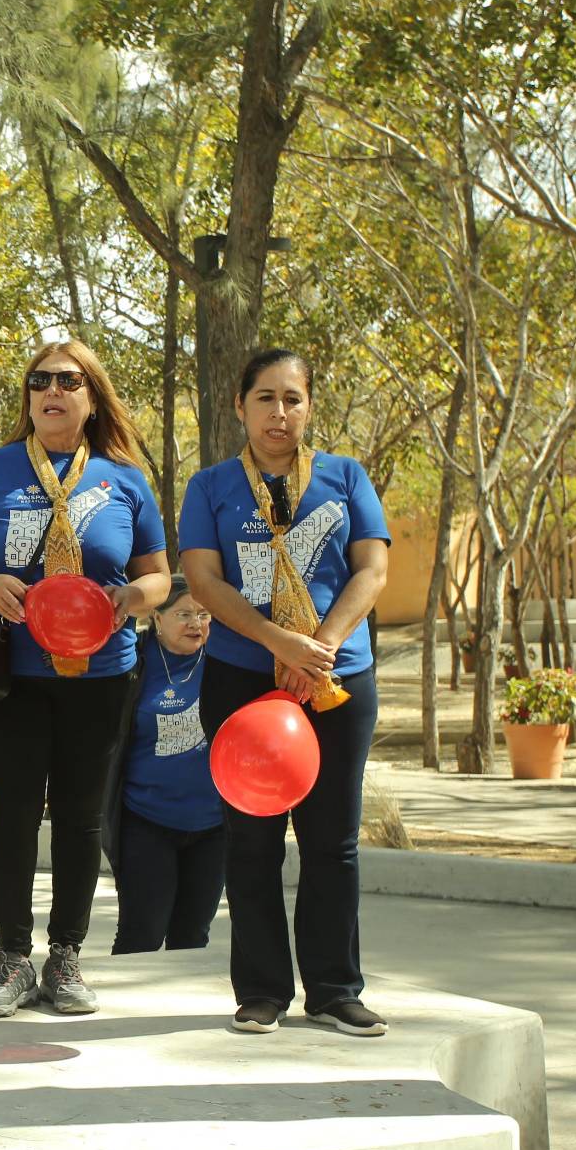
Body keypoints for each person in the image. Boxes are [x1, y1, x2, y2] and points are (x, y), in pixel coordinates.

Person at [0, 339, 169, 1017]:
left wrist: (134, 597)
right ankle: (11, 958)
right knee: (12, 818)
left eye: (68, 380)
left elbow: (158, 572)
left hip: (101, 676)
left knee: (78, 818)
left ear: (91, 395)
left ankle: (65, 956)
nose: (52, 390)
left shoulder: (124, 478)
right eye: (40, 380)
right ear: (29, 396)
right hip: (17, 675)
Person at [180, 348, 390, 1036]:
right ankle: (262, 990)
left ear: (309, 407)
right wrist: (279, 642)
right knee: (252, 841)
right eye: (265, 397)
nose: (279, 411)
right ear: (239, 406)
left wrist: (319, 646)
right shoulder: (211, 487)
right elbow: (206, 581)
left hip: (335, 680)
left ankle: (334, 987)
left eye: (292, 398)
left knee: (333, 841)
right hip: (244, 678)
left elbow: (373, 569)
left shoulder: (346, 477)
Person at [107, 580, 224, 955]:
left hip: (213, 825)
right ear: (157, 618)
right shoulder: (134, 661)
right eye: (184, 614)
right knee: (141, 935)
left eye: (203, 615)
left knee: (192, 939)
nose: (196, 623)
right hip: (146, 820)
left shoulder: (225, 662)